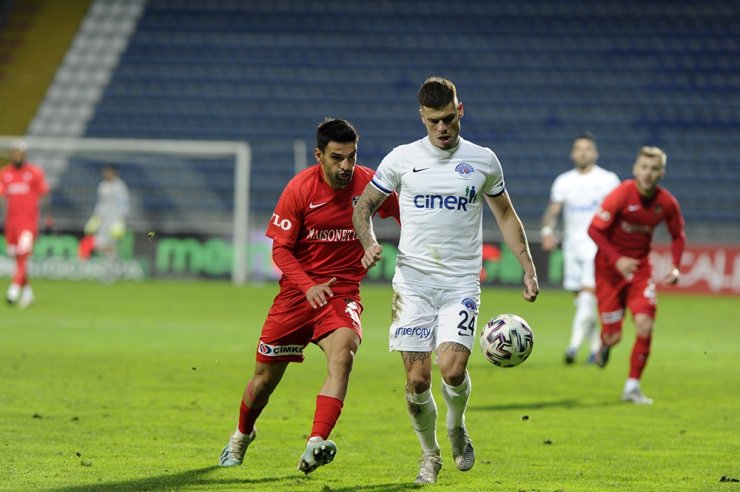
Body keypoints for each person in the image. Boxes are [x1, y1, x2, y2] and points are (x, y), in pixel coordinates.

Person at [352, 76, 539, 484]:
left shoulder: (483, 160)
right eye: (434, 120)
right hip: (413, 284)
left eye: (449, 118)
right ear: (421, 116)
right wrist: (367, 242)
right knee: (417, 379)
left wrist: (527, 265)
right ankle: (429, 454)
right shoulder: (401, 158)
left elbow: (505, 215)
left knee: (451, 370)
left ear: (461, 111)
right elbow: (363, 206)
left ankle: (456, 425)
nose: (442, 128)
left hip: (460, 284)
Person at [218, 118, 399, 474]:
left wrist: (376, 245)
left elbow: (406, 215)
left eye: (351, 156)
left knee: (344, 354)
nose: (346, 166)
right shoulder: (300, 189)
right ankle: (242, 434)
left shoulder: (370, 183)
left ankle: (315, 442)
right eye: (337, 158)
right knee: (263, 382)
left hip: (342, 292)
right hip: (297, 296)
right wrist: (308, 285)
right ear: (319, 155)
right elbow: (281, 252)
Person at [588, 146, 685, 405]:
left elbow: (678, 235)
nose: (648, 173)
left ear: (661, 173)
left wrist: (675, 266)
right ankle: (605, 344)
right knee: (614, 335)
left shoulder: (666, 203)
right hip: (608, 270)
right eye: (644, 167)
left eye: (654, 169)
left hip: (641, 270)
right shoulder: (621, 194)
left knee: (645, 324)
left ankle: (632, 386)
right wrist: (617, 259)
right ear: (635, 169)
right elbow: (594, 231)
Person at [540, 133, 620, 365]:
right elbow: (552, 212)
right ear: (572, 153)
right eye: (579, 148)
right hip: (572, 248)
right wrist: (546, 233)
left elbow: (617, 212)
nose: (583, 152)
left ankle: (572, 348)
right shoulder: (564, 181)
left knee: (587, 298)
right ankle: (596, 349)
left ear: (595, 153)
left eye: (587, 149)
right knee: (583, 301)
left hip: (597, 248)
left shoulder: (608, 179)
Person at [0, 139, 52, 308]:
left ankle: (13, 291)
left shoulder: (35, 173)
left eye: (20, 153)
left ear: (25, 155)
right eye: (14, 152)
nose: (17, 156)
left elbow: (44, 195)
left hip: (28, 224)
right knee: (17, 258)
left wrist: (49, 219)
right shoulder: (4, 173)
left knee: (23, 255)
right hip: (11, 225)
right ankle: (28, 293)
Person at [81, 165, 130, 279]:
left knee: (109, 245)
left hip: (115, 221)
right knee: (101, 245)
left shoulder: (120, 186)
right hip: (103, 221)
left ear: (114, 173)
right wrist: (96, 217)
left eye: (109, 172)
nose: (106, 174)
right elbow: (100, 203)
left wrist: (121, 220)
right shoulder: (102, 186)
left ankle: (110, 272)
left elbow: (124, 203)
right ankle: (118, 266)